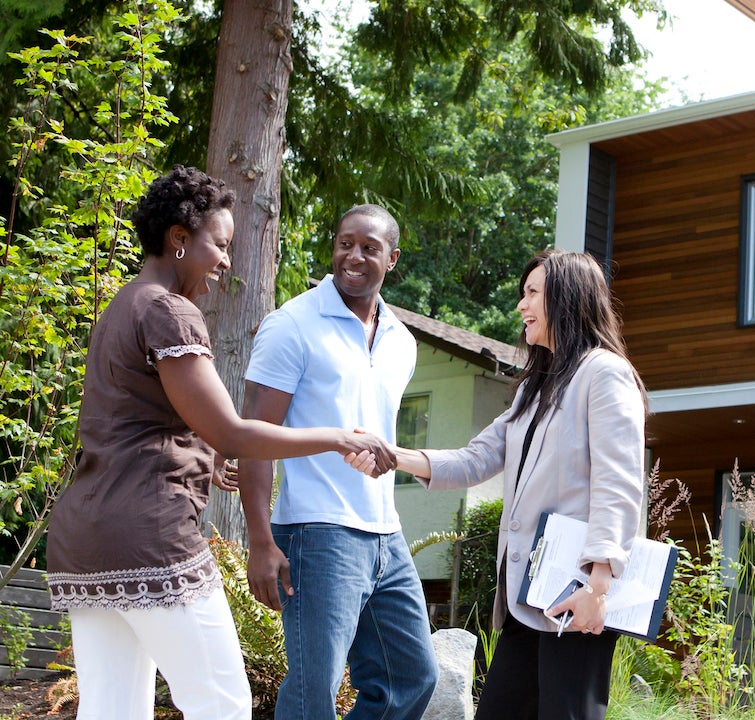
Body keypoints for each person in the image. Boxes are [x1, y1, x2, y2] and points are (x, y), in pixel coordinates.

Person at [44, 166, 398, 720]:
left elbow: (137, 419)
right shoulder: (168, 311)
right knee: (224, 704)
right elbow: (231, 431)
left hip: (87, 540)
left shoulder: (123, 305)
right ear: (179, 239)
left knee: (111, 709)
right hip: (148, 535)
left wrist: (203, 455)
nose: (227, 260)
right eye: (220, 244)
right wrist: (336, 437)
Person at [349, 249, 648, 720]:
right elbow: (476, 458)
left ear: (567, 299)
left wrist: (599, 586)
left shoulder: (604, 374)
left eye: (532, 293)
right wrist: (393, 455)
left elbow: (619, 482)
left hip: (576, 596)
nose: (521, 306)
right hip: (527, 596)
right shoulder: (538, 386)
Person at [237, 203, 438, 720]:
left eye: (369, 247)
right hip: (315, 530)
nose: (354, 255)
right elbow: (255, 437)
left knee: (411, 676)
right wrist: (260, 541)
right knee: (314, 692)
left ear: (391, 260)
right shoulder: (292, 325)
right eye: (345, 243)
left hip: (384, 533)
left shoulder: (403, 342)